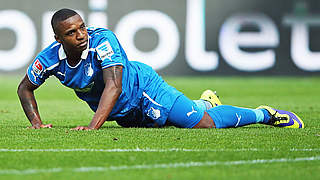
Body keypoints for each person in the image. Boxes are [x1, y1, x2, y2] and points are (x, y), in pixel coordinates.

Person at [17, 8, 304, 130]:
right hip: (123, 112)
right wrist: (37, 123)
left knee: (204, 123)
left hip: (144, 90)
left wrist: (93, 127)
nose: (81, 35)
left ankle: (265, 114)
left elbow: (114, 85)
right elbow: (25, 87)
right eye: (72, 32)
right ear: (58, 38)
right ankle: (205, 101)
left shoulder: (102, 39)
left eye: (82, 27)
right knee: (178, 118)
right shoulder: (50, 59)